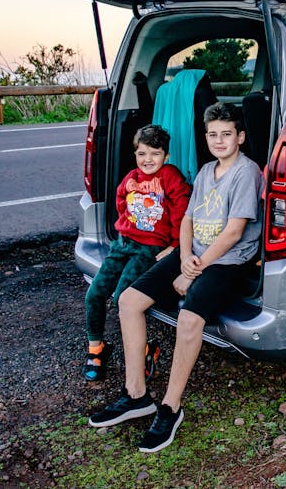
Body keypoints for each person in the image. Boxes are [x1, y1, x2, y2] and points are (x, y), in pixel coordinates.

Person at [88, 103, 264, 452]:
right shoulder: (204, 172)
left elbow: (233, 233)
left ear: (240, 137)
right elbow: (186, 220)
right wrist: (183, 257)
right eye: (212, 134)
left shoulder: (247, 172)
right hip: (193, 254)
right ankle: (136, 394)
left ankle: (170, 406)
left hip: (227, 261)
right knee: (128, 301)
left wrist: (193, 270)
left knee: (188, 319)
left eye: (226, 134)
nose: (219, 140)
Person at [83, 124, 190, 382]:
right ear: (135, 155)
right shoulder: (131, 177)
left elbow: (182, 213)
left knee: (123, 298)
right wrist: (125, 229)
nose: (147, 160)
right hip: (123, 244)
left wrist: (174, 247)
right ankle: (96, 347)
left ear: (165, 156)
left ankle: (144, 349)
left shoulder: (171, 178)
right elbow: (121, 202)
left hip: (149, 249)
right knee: (94, 294)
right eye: (142, 154)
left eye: (154, 153)